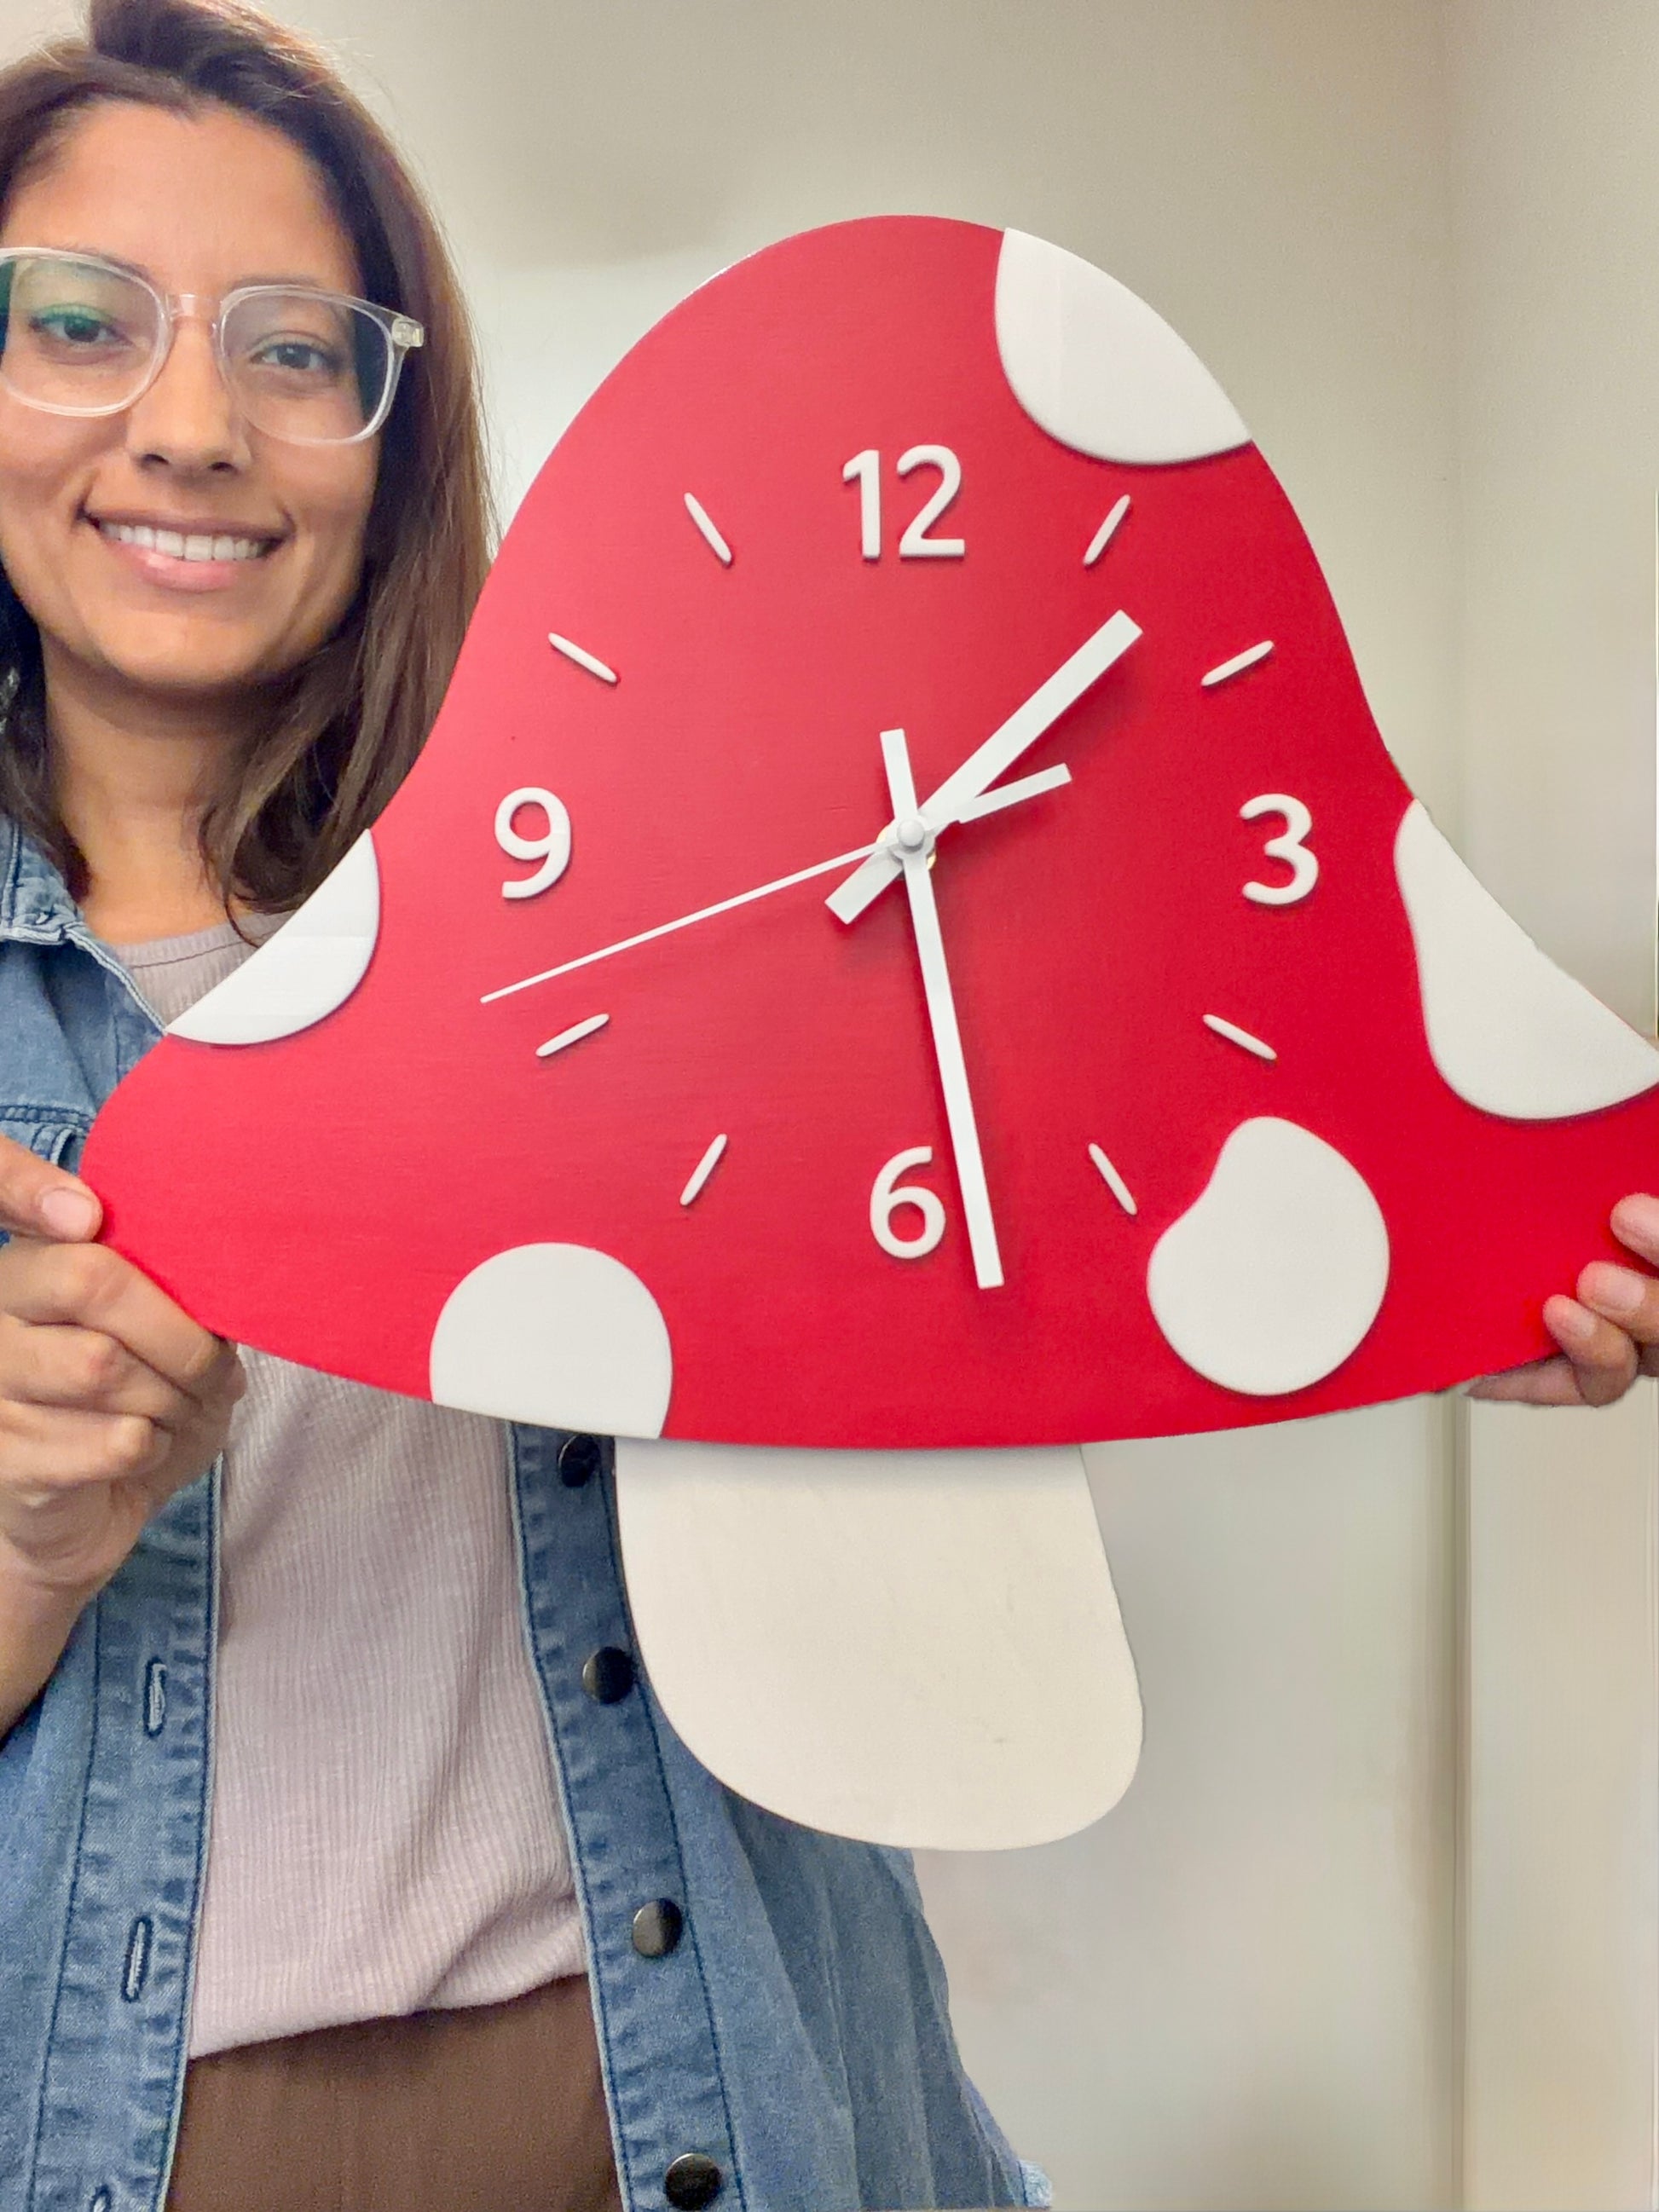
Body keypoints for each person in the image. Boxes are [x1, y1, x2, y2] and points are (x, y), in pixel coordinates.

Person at [0, 4, 1051, 2209]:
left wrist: (1432, 1275)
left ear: (393, 434)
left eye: (295, 351)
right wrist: (28, 1551)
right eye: (82, 323)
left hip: (705, 2097)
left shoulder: (657, 907)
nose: (189, 426)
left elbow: (995, 1227)